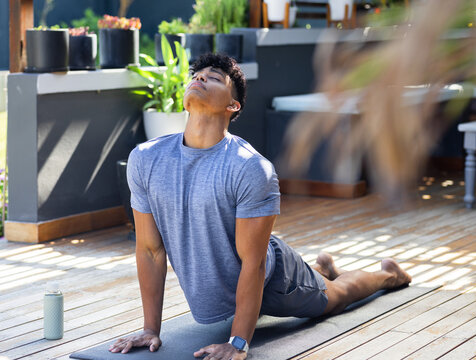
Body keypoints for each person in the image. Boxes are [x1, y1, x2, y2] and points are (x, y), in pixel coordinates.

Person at [109, 53, 412, 360]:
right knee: (313, 280)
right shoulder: (146, 159)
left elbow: (253, 263)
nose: (200, 78)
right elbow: (149, 250)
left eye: (214, 78)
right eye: (196, 75)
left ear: (233, 105)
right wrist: (150, 329)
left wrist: (238, 343)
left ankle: (388, 275)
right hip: (238, 279)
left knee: (335, 298)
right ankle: (321, 268)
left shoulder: (249, 167)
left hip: (274, 280)